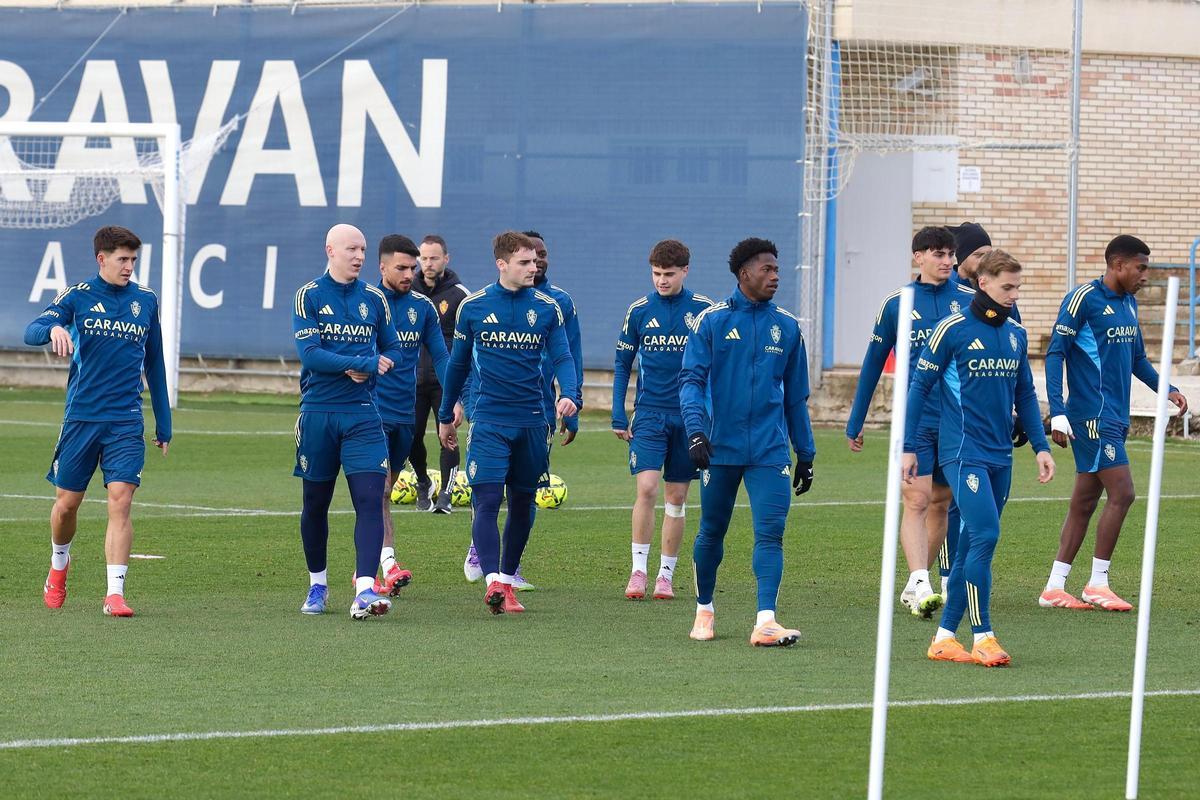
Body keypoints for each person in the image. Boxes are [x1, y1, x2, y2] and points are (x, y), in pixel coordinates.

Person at [905, 249, 1055, 667]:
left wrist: (1041, 446)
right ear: (983, 283)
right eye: (1008, 286)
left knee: (974, 542)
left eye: (1018, 287)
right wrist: (909, 448)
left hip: (1000, 456)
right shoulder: (950, 330)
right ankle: (983, 634)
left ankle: (943, 638)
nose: (1014, 294)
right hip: (960, 452)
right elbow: (918, 388)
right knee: (986, 536)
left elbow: (1025, 393)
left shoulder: (1015, 334)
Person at [24, 225, 171, 618]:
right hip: (82, 419)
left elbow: (154, 362)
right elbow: (31, 329)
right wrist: (55, 328)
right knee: (66, 506)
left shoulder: (145, 300)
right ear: (101, 259)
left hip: (125, 421)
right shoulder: (78, 297)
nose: (129, 267)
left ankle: (115, 594)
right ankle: (59, 564)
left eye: (133, 260)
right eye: (122, 259)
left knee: (121, 502)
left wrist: (164, 422)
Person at [1039, 235, 1188, 611]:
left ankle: (1054, 587)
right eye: (1141, 268)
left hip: (1115, 416)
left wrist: (1165, 388)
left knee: (1085, 502)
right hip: (1091, 416)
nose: (1145, 276)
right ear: (1118, 264)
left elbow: (1137, 358)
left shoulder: (1128, 304)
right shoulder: (1082, 299)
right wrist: (1057, 410)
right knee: (1123, 493)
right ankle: (1097, 583)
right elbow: (1055, 353)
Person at [679, 237, 815, 647]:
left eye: (777, 269)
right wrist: (696, 431)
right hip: (719, 449)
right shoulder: (713, 321)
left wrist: (805, 453)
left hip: (770, 452)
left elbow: (796, 398)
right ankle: (704, 610)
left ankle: (766, 621)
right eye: (767, 269)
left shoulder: (788, 327)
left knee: (771, 532)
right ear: (744, 274)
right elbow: (690, 382)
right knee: (712, 530)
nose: (775, 276)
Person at [437, 231, 579, 615]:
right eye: (524, 262)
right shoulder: (475, 306)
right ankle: (493, 581)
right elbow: (458, 364)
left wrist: (570, 393)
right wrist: (446, 412)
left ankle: (508, 575)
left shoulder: (549, 308)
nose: (534, 268)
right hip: (489, 420)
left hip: (533, 421)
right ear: (501, 264)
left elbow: (564, 357)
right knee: (485, 499)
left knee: (522, 501)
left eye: (535, 262)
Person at [846, 226, 975, 618]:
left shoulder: (970, 300)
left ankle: (915, 583)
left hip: (957, 420)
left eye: (950, 254)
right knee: (916, 499)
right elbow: (871, 363)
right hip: (914, 420)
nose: (947, 261)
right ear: (917, 256)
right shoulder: (897, 304)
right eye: (938, 254)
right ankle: (921, 581)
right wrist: (857, 419)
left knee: (941, 501)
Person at [292, 223, 403, 619]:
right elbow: (311, 355)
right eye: (351, 249)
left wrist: (375, 366)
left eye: (362, 249)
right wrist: (359, 363)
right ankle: (317, 585)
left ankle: (365, 589)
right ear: (330, 250)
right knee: (315, 504)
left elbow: (393, 348)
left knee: (371, 500)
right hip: (319, 414)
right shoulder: (308, 295)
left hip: (362, 416)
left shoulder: (374, 298)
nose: (358, 256)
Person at [612, 239, 714, 600]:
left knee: (676, 497)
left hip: (688, 417)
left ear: (685, 270)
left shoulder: (704, 311)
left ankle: (665, 576)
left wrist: (710, 416)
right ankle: (638, 571)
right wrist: (617, 412)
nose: (661, 280)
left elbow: (716, 366)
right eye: (656, 273)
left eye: (669, 274)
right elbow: (623, 363)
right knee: (647, 488)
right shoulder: (638, 311)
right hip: (650, 415)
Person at [371, 234, 460, 596]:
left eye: (413, 266)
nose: (412, 273)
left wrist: (450, 402)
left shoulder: (422, 308)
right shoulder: (367, 303)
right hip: (368, 413)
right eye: (403, 267)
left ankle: (380, 566)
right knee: (374, 491)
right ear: (382, 267)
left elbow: (441, 356)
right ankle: (382, 567)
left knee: (386, 491)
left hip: (403, 415)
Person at [411, 235, 471, 513]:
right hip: (412, 380)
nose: (428, 263)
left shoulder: (460, 295)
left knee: (446, 435)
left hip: (445, 383)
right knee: (409, 437)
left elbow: (468, 345)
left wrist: (458, 393)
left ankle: (446, 495)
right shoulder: (407, 289)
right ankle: (423, 482)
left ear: (446, 258)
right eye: (423, 257)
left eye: (434, 257)